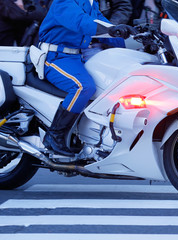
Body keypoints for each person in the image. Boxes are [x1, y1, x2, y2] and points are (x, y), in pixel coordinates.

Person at [38, 0, 136, 156]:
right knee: (83, 86)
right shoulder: (64, 1)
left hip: (76, 57)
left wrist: (134, 36)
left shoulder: (90, 3)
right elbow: (82, 22)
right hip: (54, 56)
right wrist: (113, 31)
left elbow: (104, 27)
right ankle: (54, 135)